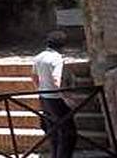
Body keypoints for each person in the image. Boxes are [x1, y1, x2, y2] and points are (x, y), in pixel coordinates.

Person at [32, 30, 77, 158]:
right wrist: (66, 98)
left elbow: (34, 77)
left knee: (53, 133)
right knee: (68, 134)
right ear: (62, 45)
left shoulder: (38, 57)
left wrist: (41, 90)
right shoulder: (57, 59)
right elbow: (57, 80)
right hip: (57, 100)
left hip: (44, 99)